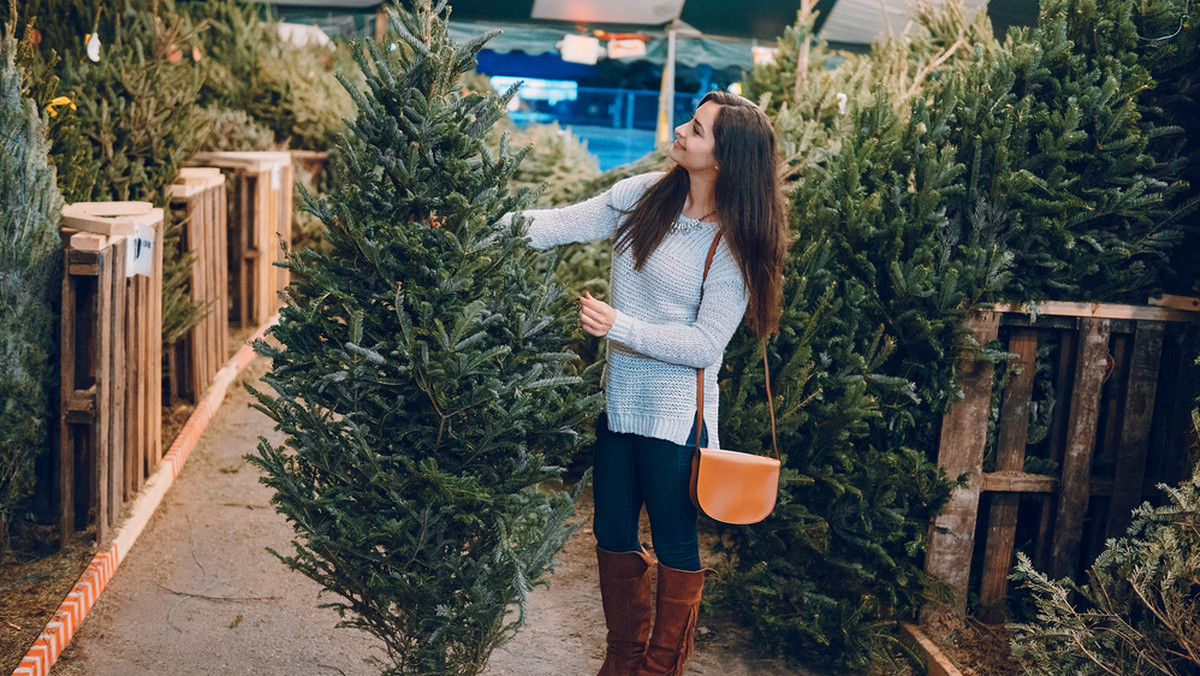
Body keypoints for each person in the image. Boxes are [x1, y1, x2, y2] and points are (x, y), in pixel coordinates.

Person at [517, 90, 787, 676]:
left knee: (674, 544)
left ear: (725, 159)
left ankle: (661, 668)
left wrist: (622, 326)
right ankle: (621, 662)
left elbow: (704, 345)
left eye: (697, 129)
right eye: (689, 123)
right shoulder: (643, 197)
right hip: (620, 407)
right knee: (612, 533)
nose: (682, 133)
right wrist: (468, 223)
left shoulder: (733, 244)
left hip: (676, 422)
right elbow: (556, 224)